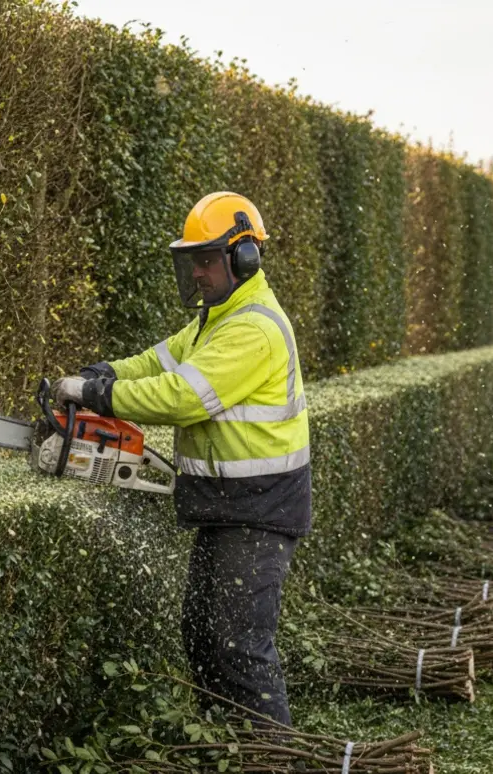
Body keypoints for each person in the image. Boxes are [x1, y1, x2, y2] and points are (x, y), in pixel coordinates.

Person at [52, 191, 312, 726]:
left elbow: (181, 397)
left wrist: (98, 396)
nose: (197, 272)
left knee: (239, 644)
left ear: (244, 258)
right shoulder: (215, 320)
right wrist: (104, 373)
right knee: (202, 634)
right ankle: (227, 744)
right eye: (192, 260)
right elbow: (157, 363)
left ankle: (272, 755)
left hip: (258, 510)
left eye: (207, 259)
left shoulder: (253, 329)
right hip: (227, 506)